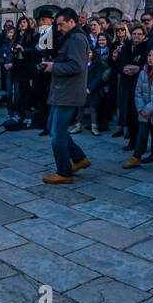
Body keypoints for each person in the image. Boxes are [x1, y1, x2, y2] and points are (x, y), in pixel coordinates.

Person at [41, 11, 93, 186]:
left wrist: (54, 67)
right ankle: (79, 158)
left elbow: (77, 66)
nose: (58, 27)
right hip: (62, 92)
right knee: (52, 127)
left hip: (68, 93)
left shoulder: (76, 38)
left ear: (71, 22)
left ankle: (64, 172)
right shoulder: (71, 38)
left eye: (60, 24)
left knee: (57, 134)